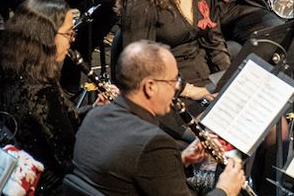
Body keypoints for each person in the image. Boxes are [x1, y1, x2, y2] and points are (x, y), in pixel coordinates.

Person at [72, 39, 246, 196]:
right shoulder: (154, 145)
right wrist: (225, 190)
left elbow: (132, 171)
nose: (176, 89)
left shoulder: (94, 116)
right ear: (150, 87)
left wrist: (181, 159)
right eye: (172, 82)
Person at [0, 0, 92, 195]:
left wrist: (94, 110)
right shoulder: (41, 95)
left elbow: (59, 121)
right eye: (68, 33)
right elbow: (72, 159)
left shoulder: (16, 73)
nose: (72, 41)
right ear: (47, 38)